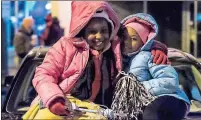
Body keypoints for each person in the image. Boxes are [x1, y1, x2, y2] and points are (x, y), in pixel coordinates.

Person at [30, 1, 168, 118]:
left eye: (103, 30)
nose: (99, 36)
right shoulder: (65, 46)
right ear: (83, 30)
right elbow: (44, 74)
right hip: (68, 109)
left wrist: (156, 47)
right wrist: (55, 100)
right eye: (92, 31)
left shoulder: (116, 48)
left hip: (104, 113)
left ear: (110, 30)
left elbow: (137, 40)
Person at [118, 13, 190, 120]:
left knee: (150, 112)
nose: (127, 43)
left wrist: (139, 89)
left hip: (172, 100)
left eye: (134, 39)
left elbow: (170, 81)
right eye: (124, 37)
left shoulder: (152, 56)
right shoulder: (121, 60)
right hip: (145, 103)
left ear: (144, 41)